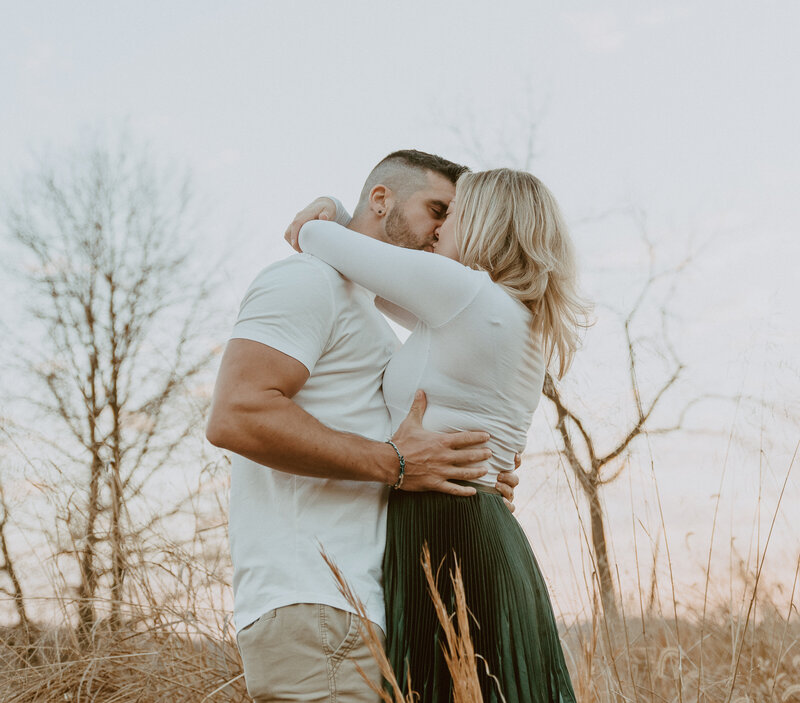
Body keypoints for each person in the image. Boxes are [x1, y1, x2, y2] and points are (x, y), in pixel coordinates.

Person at [206, 150, 519, 703]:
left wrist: (471, 475)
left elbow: (399, 444)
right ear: (382, 199)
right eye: (436, 209)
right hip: (317, 603)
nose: (444, 231)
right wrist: (396, 463)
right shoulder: (306, 281)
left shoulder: (371, 314)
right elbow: (238, 414)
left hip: (366, 612)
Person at [289, 168, 587, 702]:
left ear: (482, 223)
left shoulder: (466, 294)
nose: (438, 229)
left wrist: (328, 205)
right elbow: (377, 289)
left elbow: (320, 240)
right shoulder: (506, 314)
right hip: (475, 522)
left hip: (447, 528)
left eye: (452, 214)